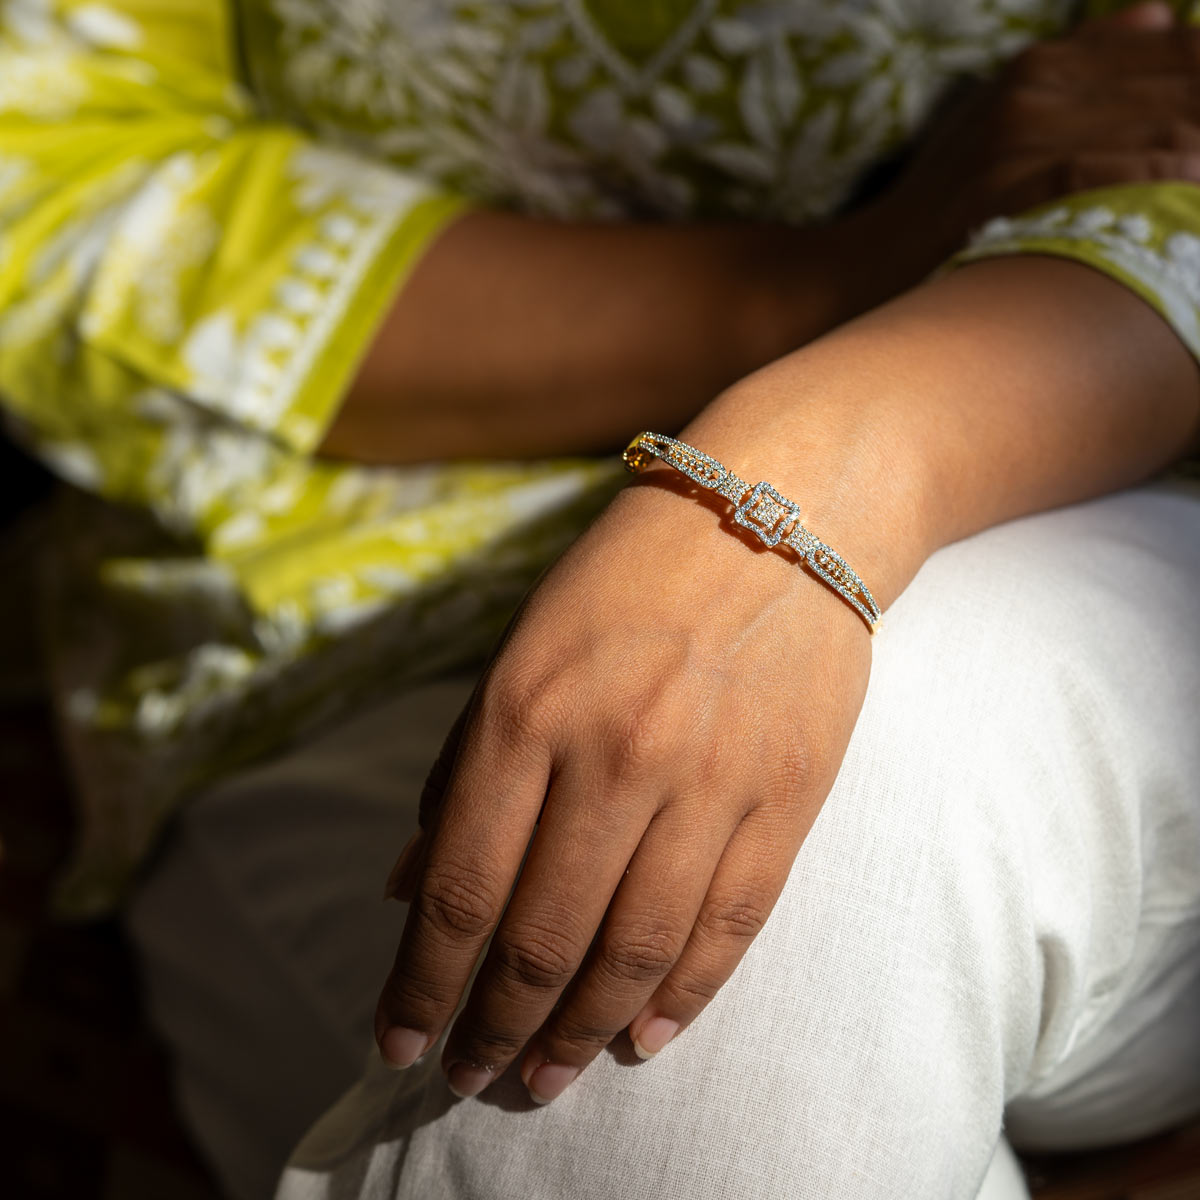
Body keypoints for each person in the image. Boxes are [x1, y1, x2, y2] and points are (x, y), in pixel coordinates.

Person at [2, 0, 1198, 1196]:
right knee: (635, 1005)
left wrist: (816, 474)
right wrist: (809, 284)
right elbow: (51, 185)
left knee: (805, 812)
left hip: (1074, 506)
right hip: (355, 631)